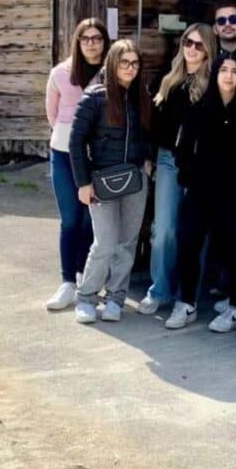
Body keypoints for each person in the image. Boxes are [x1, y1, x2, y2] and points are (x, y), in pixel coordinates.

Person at [165, 54, 236, 331]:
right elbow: (182, 146)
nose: (228, 76)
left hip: (233, 193)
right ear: (214, 75)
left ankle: (235, 304)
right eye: (223, 70)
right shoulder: (200, 108)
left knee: (232, 248)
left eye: (234, 71)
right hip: (200, 189)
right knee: (188, 241)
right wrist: (188, 173)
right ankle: (186, 302)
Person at [69, 39, 152, 324]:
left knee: (127, 242)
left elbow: (150, 134)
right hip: (102, 179)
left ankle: (116, 297)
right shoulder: (94, 97)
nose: (130, 68)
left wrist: (148, 161)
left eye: (135, 63)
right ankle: (87, 297)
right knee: (104, 242)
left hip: (135, 179)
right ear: (113, 64)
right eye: (124, 62)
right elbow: (76, 141)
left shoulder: (143, 97)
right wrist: (83, 182)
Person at [137, 23, 217, 315]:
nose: (192, 49)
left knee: (194, 232)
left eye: (199, 44)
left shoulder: (214, 81)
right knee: (164, 229)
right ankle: (159, 289)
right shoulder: (168, 78)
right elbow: (153, 122)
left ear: (208, 48)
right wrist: (149, 155)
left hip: (201, 165)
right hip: (168, 160)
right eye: (188, 42)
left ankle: (188, 295)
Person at [45, 18, 111, 310]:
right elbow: (52, 113)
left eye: (97, 38)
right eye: (86, 38)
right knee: (70, 218)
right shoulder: (60, 73)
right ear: (78, 41)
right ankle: (67, 281)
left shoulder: (111, 73)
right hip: (63, 154)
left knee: (90, 220)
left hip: (97, 157)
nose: (92, 43)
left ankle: (87, 278)